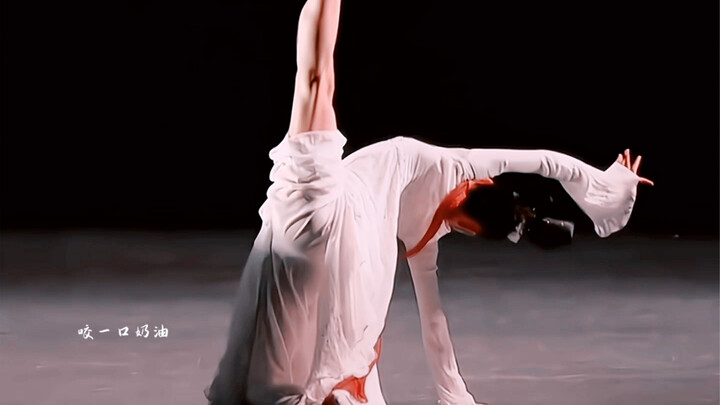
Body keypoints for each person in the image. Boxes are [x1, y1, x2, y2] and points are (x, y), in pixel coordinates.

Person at [205, 1, 653, 404]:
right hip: (341, 238)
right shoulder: (434, 227)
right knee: (307, 363)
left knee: (316, 78)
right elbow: (433, 323)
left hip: (329, 210)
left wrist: (606, 187)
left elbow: (547, 162)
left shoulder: (460, 172)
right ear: (469, 224)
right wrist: (454, 396)